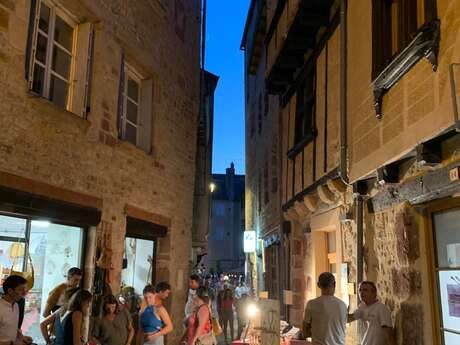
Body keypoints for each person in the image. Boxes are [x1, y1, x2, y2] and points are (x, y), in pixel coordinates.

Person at [303, 272, 347, 345]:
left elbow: (305, 333)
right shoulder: (342, 305)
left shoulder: (311, 304)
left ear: (318, 285)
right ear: (335, 284)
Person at [0, 275, 33, 345]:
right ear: (10, 291)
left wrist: (22, 337)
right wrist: (13, 343)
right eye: (21, 289)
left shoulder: (16, 305)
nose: (24, 293)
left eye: (25, 289)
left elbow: (11, 326)